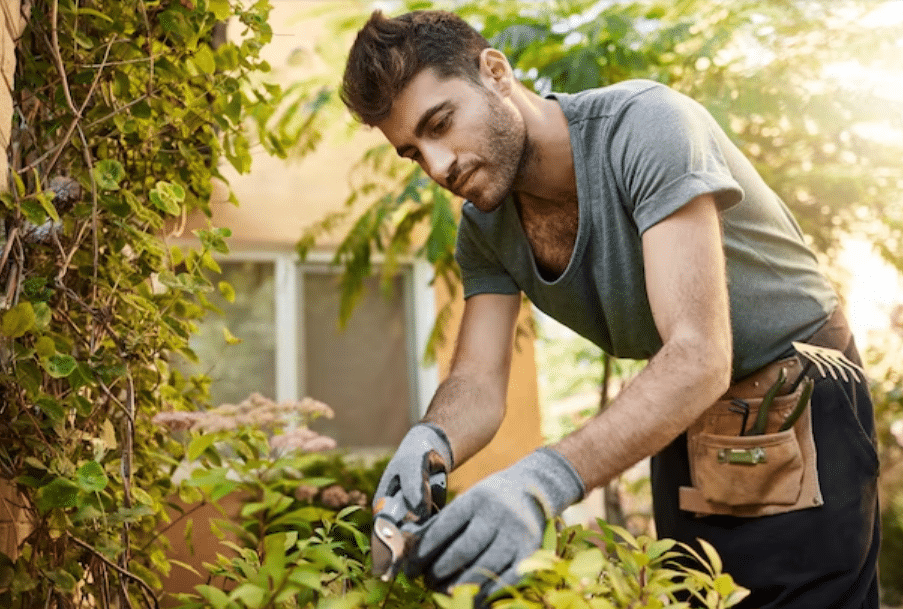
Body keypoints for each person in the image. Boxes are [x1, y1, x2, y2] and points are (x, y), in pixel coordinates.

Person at [341, 9, 881, 609]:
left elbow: (701, 354)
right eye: (414, 153)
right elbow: (477, 381)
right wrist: (430, 442)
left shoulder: (645, 127)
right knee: (692, 598)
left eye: (441, 124)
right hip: (680, 403)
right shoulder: (484, 229)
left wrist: (538, 481)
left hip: (797, 388)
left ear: (494, 72)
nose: (439, 167)